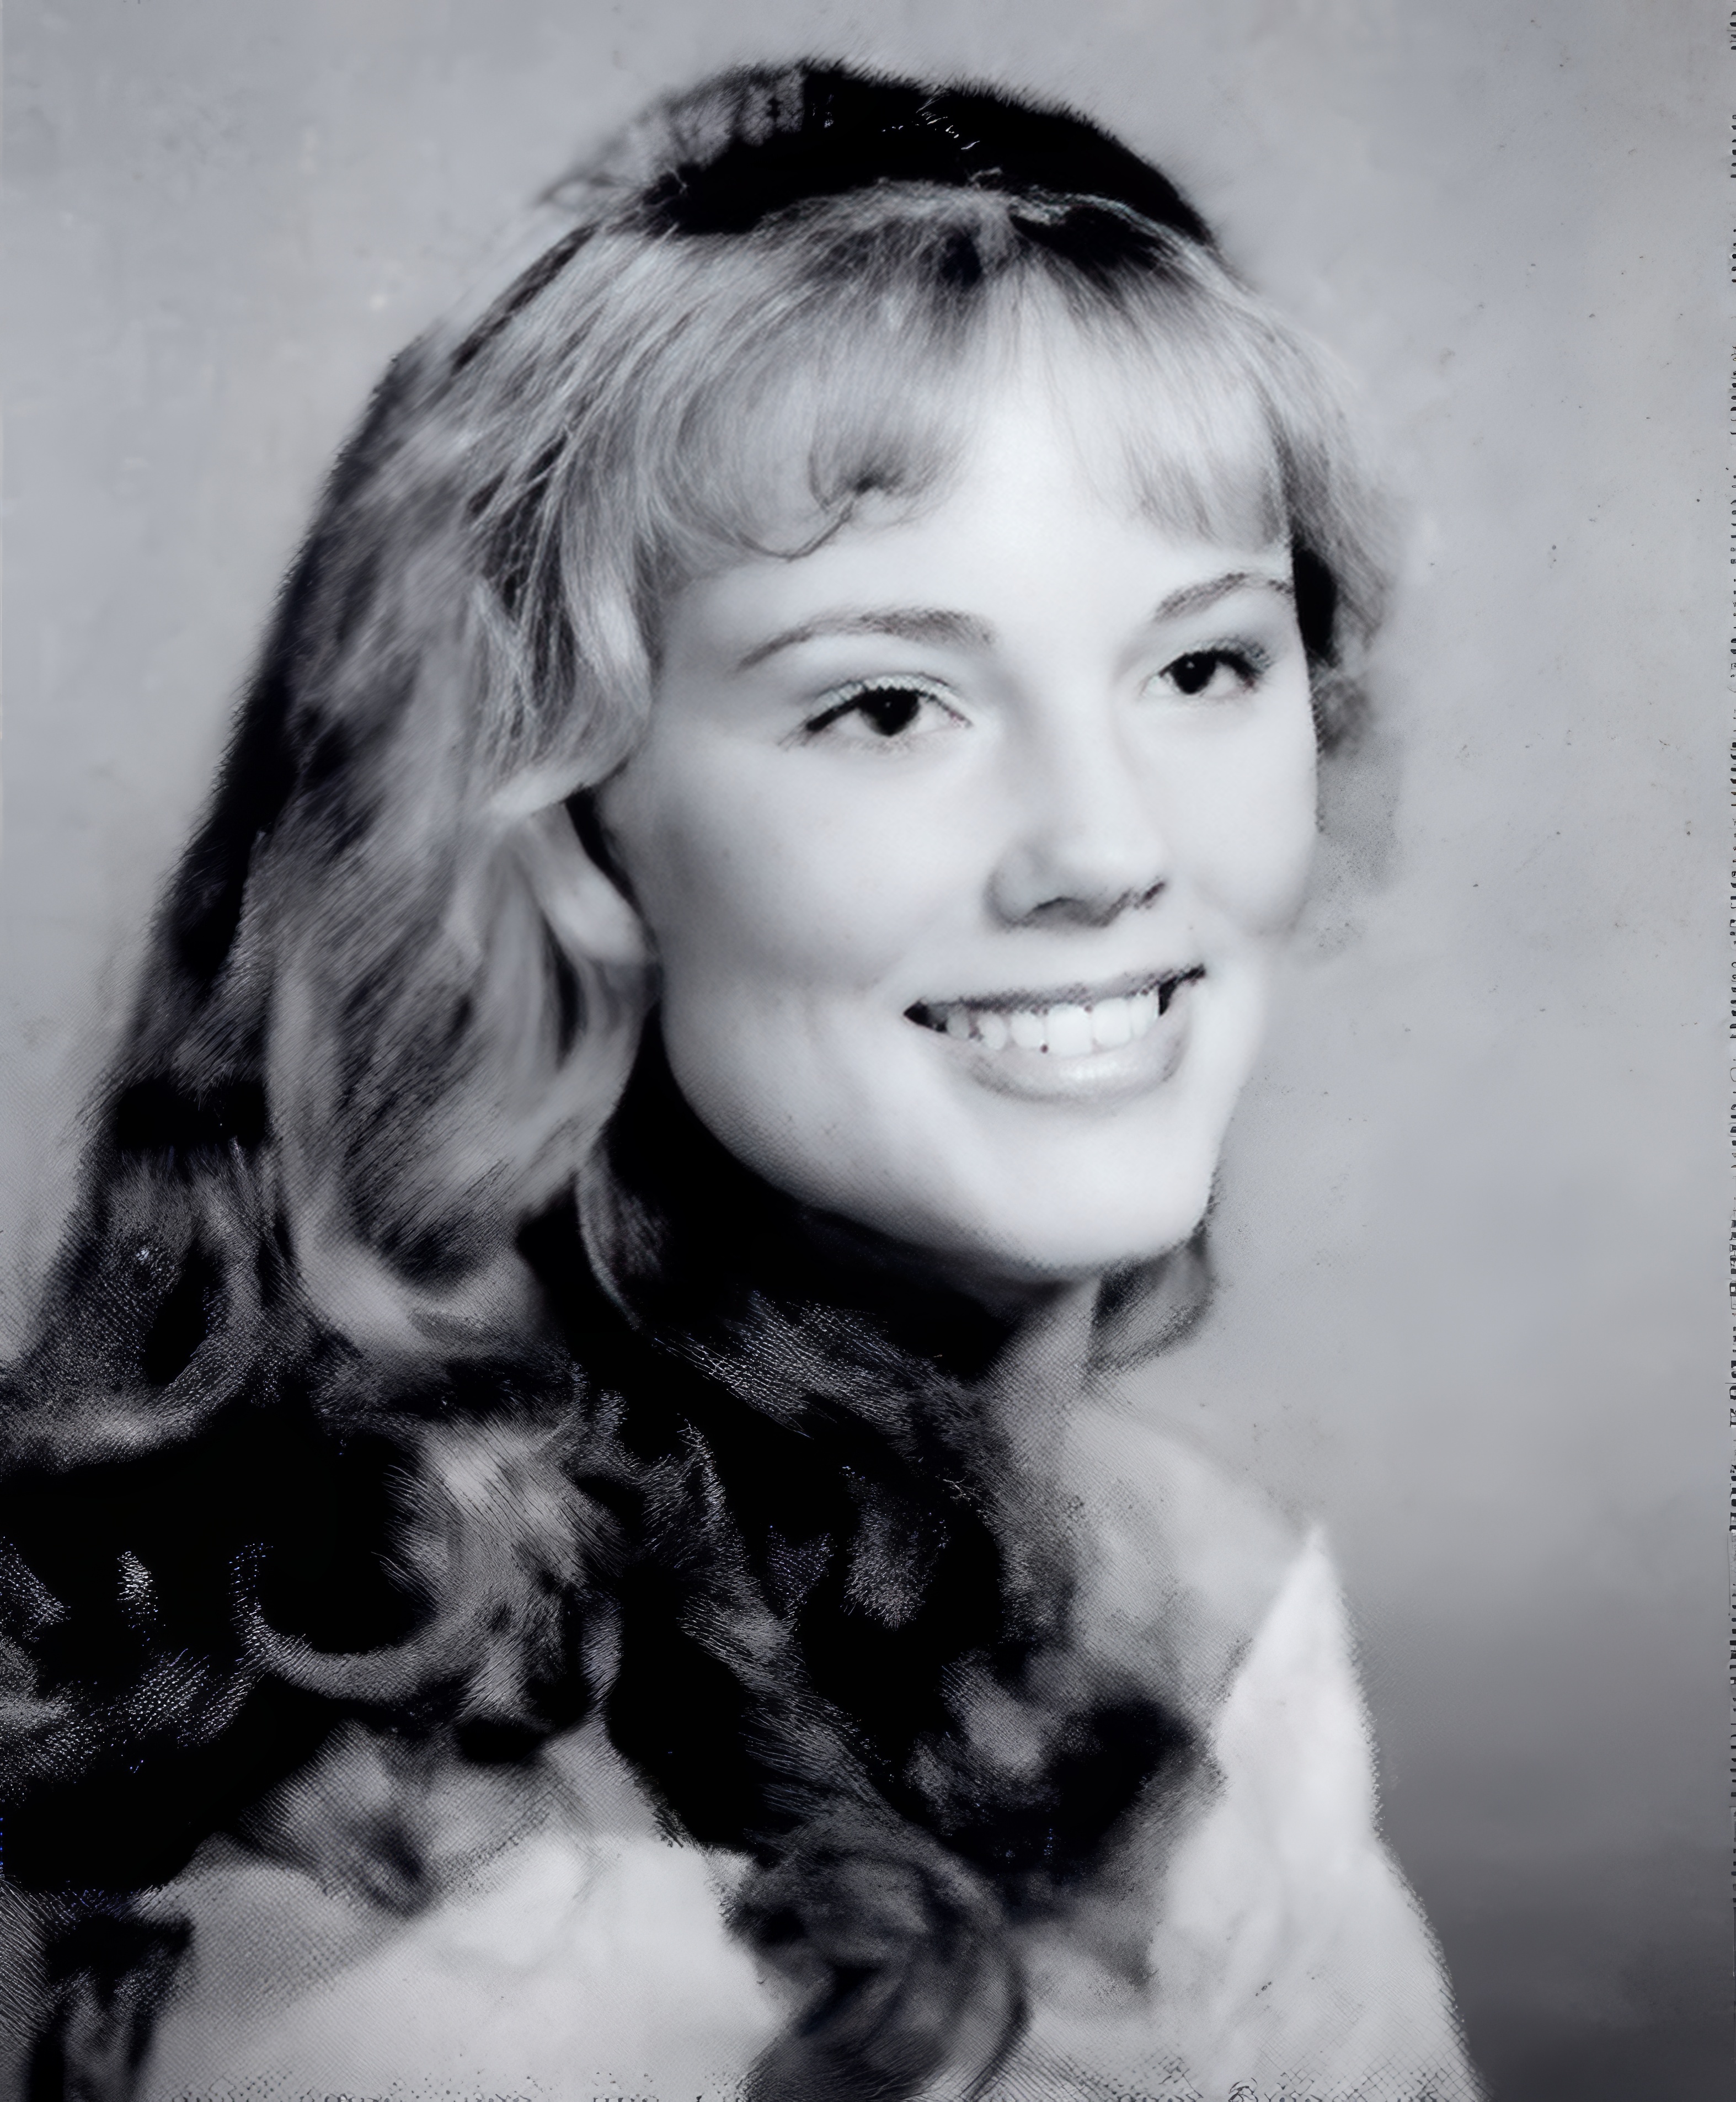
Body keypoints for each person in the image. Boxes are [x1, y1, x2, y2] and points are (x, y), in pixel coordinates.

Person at [0, 61, 1482, 2102]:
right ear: (558, 824)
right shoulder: (472, 1970)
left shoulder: (1173, 1564)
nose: (1103, 843)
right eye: (886, 705)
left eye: (1199, 665)